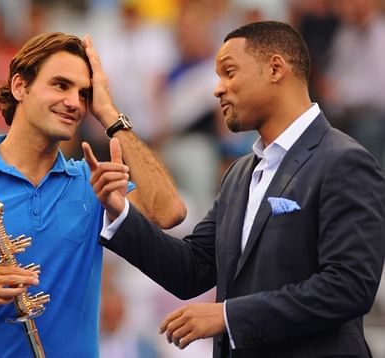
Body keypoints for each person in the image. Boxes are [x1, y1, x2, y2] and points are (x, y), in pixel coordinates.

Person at [85, 21, 385, 357]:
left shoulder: (344, 162)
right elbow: (193, 269)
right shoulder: (240, 173)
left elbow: (349, 287)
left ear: (275, 68)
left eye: (229, 72)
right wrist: (120, 212)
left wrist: (230, 315)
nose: (218, 89)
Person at [0, 32, 186, 358]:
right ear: (19, 86)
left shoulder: (93, 182)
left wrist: (110, 114)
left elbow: (168, 212)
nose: (74, 102)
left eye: (84, 94)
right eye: (60, 85)